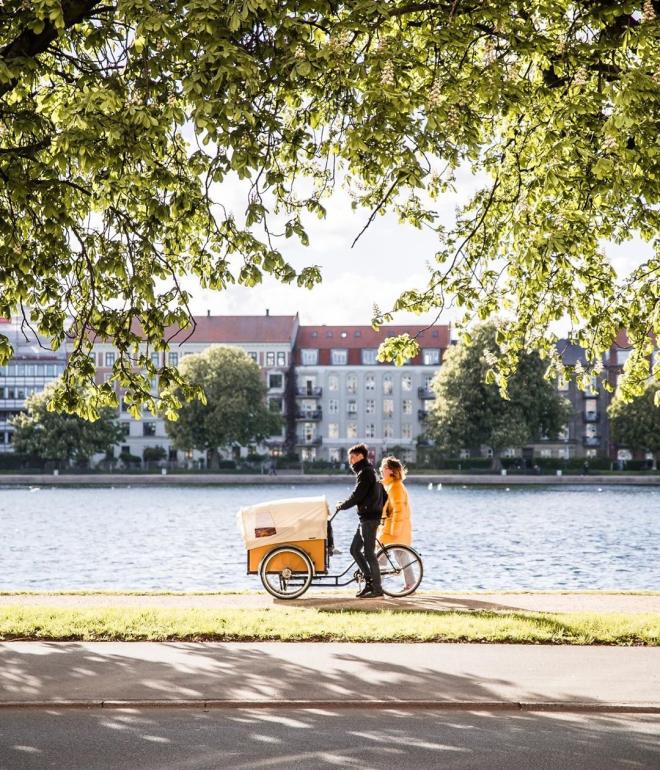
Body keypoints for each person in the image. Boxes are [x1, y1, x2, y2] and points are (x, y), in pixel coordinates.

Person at [335, 443, 384, 598]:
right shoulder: (370, 471)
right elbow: (383, 494)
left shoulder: (365, 472)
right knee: (354, 549)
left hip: (369, 519)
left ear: (360, 456)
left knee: (369, 554)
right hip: (367, 517)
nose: (350, 461)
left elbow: (357, 495)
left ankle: (377, 589)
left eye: (353, 457)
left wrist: (342, 506)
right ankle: (369, 583)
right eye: (350, 457)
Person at [377, 456, 415, 590]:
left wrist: (394, 531)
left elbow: (399, 511)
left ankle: (377, 585)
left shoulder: (395, 487)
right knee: (399, 555)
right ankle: (409, 584)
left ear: (391, 470)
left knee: (383, 555)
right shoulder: (390, 486)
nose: (381, 469)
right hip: (390, 528)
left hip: (394, 529)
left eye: (384, 467)